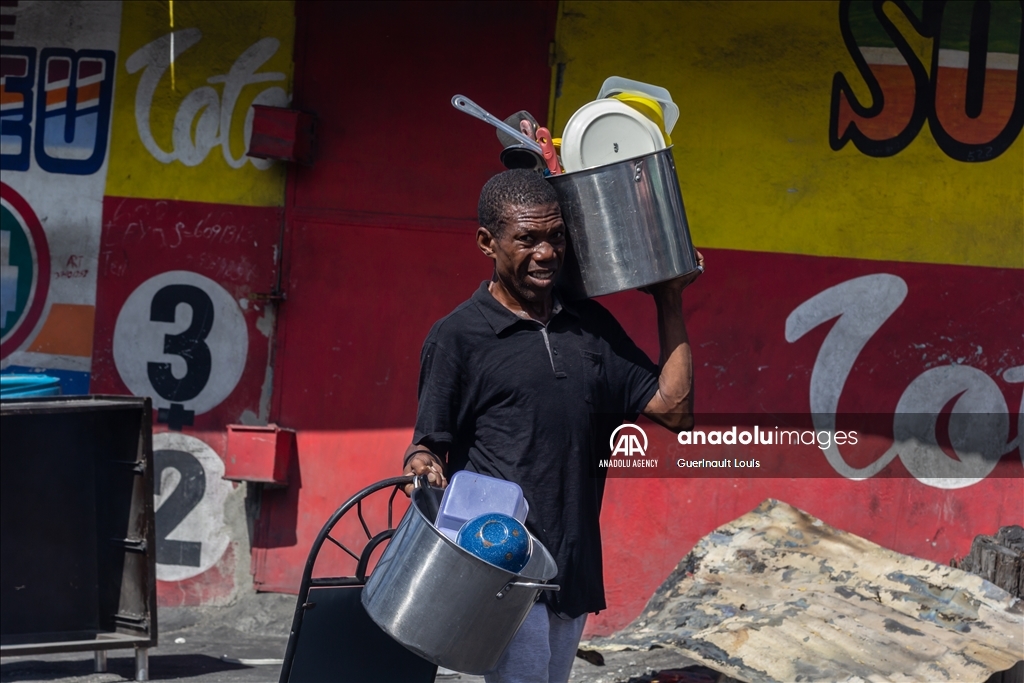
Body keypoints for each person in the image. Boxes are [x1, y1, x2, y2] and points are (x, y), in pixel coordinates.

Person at [402, 169, 702, 683]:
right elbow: (428, 442)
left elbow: (675, 411)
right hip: (500, 559)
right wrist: (423, 463)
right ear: (486, 243)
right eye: (527, 239)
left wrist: (668, 298)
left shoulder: (591, 327)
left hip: (573, 559)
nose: (545, 253)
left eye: (555, 236)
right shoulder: (458, 337)